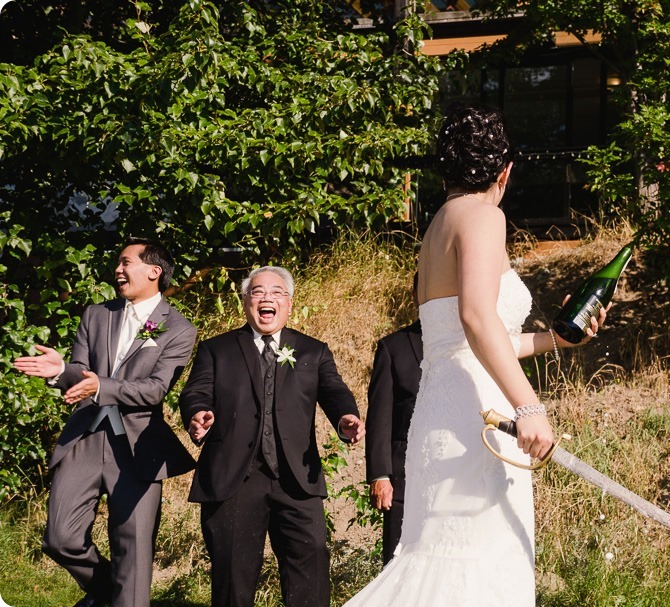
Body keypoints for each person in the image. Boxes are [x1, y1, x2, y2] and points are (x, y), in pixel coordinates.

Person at [343, 103, 603, 606]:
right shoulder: (485, 215)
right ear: (505, 172)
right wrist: (529, 405)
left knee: (445, 561)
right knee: (481, 566)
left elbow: (475, 338)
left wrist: (559, 339)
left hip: (443, 411)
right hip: (477, 420)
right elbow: (477, 319)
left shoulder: (438, 223)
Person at [13, 238, 197, 607]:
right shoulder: (96, 314)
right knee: (60, 538)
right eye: (117, 262)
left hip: (137, 444)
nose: (118, 269)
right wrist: (62, 370)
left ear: (153, 271)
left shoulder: (178, 328)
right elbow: (81, 371)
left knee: (133, 550)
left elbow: (155, 389)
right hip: (85, 438)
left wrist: (103, 385)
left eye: (125, 262)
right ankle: (107, 592)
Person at [178, 265, 365, 607]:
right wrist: (197, 415)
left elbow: (335, 391)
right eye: (258, 292)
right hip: (234, 477)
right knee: (233, 577)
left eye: (276, 292)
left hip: (296, 478)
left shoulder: (312, 351)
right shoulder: (216, 349)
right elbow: (195, 392)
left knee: (310, 566)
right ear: (245, 301)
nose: (267, 298)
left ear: (289, 304)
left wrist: (345, 418)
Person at [365, 273, 423, 564]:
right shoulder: (394, 347)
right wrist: (380, 475)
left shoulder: (472, 343)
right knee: (399, 563)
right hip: (403, 478)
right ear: (414, 294)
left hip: (459, 474)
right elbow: (379, 417)